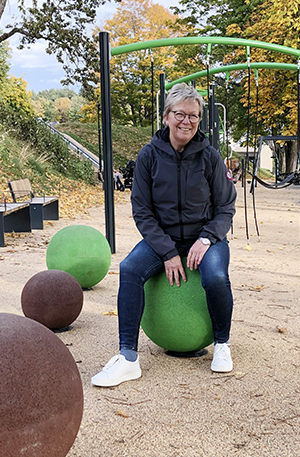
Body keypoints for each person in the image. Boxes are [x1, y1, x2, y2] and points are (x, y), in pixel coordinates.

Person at [92, 83, 237, 388]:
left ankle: (221, 344)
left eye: (194, 116)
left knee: (215, 277)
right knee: (130, 269)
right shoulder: (148, 156)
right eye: (180, 114)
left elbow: (225, 206)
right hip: (164, 239)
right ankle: (128, 358)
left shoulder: (210, 157)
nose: (187, 121)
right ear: (166, 117)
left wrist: (207, 238)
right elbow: (142, 210)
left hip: (204, 238)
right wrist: (168, 252)